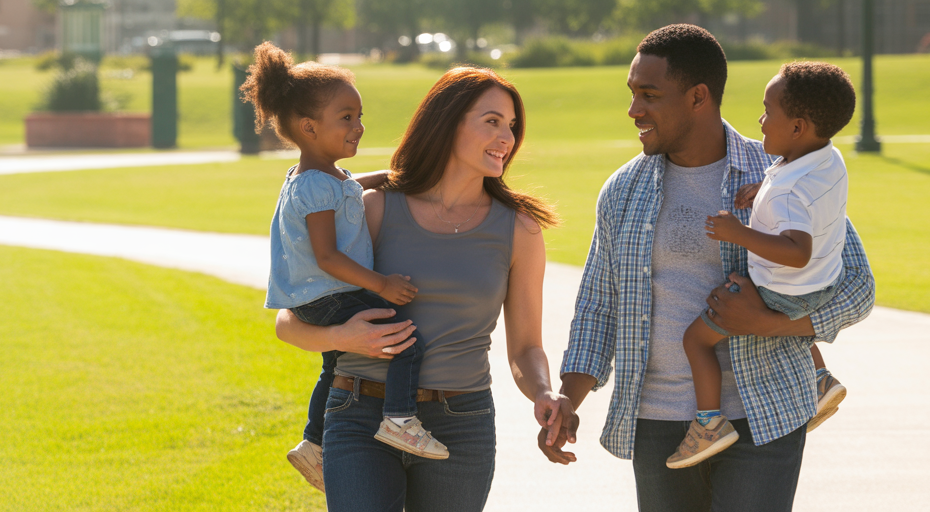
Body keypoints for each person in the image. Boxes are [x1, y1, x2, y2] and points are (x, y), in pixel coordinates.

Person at [538, 25, 875, 512]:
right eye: (633, 94)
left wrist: (773, 324)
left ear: (698, 96)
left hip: (764, 416)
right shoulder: (622, 190)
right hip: (656, 425)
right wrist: (569, 399)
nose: (634, 111)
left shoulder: (781, 172)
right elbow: (597, 306)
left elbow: (857, 287)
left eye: (649, 95)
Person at [275, 66, 576, 511]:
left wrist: (543, 391)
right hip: (359, 414)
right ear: (449, 121)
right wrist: (341, 338)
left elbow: (526, 348)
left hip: (462, 424)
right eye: (491, 121)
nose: (507, 138)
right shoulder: (374, 209)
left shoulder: (520, 231)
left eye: (511, 126)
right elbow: (290, 319)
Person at [240, 42, 447, 494]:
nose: (360, 126)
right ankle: (398, 419)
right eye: (347, 118)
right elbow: (327, 256)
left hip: (318, 296)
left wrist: (388, 178)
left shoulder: (321, 175)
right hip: (328, 293)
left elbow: (353, 187)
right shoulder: (315, 186)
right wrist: (382, 284)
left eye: (358, 115)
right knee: (404, 338)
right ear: (310, 128)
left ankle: (313, 444)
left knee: (334, 366)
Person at [668, 61, 857, 468]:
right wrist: (763, 190)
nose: (760, 118)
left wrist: (740, 233)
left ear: (797, 128)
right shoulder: (826, 158)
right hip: (818, 285)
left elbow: (796, 250)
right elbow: (799, 190)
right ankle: (819, 378)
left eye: (769, 110)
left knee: (696, 339)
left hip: (784, 288)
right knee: (786, 308)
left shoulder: (788, 191)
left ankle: (709, 424)